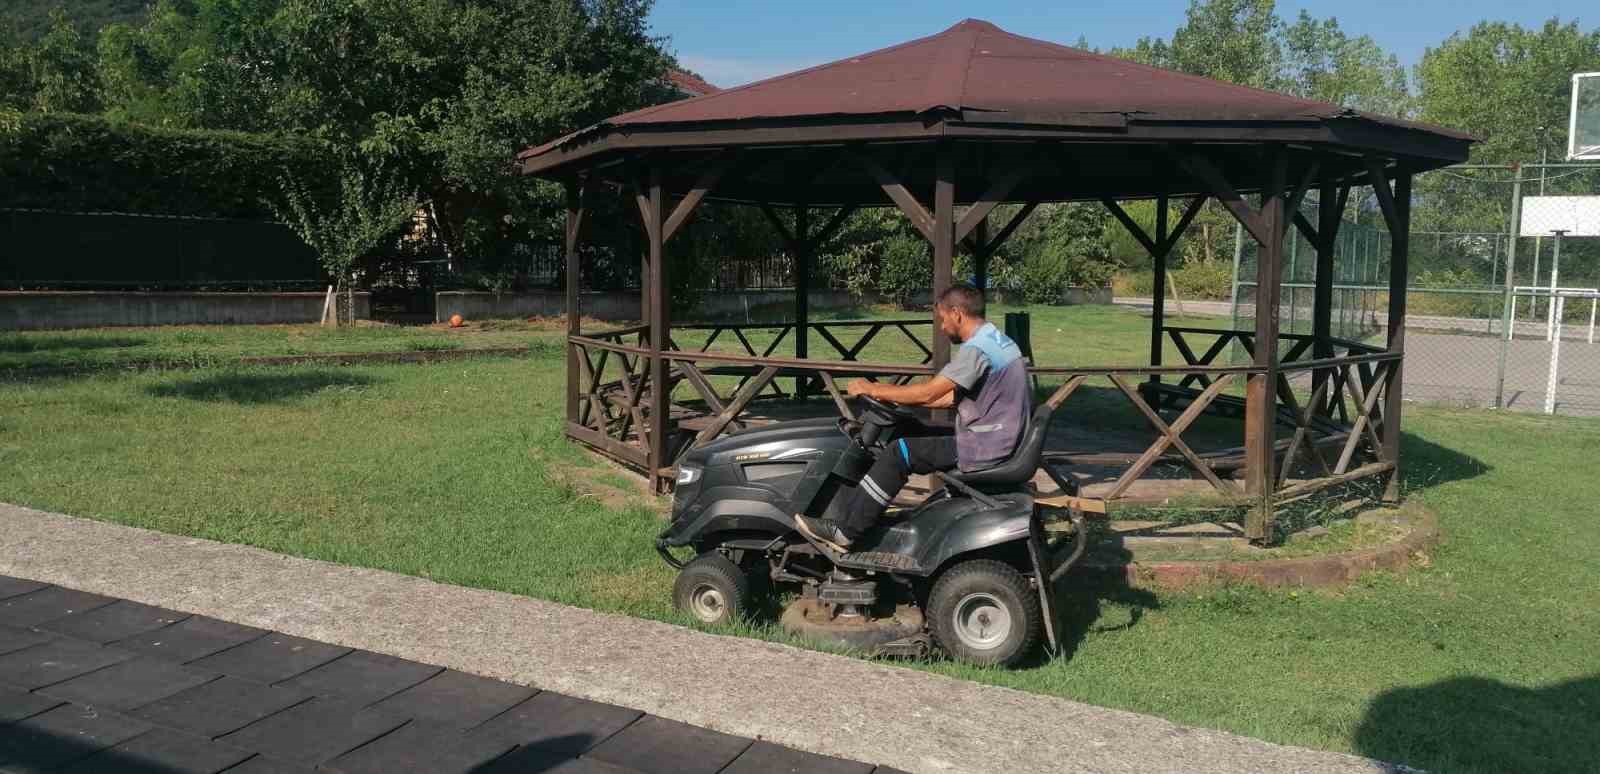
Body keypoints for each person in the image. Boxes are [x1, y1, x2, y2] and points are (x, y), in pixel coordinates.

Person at [793, 283, 1031, 552]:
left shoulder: (977, 349)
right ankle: (866, 512)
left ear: (957, 313)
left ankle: (847, 531)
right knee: (910, 430)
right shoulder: (996, 340)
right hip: (994, 436)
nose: (942, 327)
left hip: (985, 445)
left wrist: (871, 388)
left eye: (942, 319)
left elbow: (930, 394)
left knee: (900, 451)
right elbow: (949, 397)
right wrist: (894, 396)